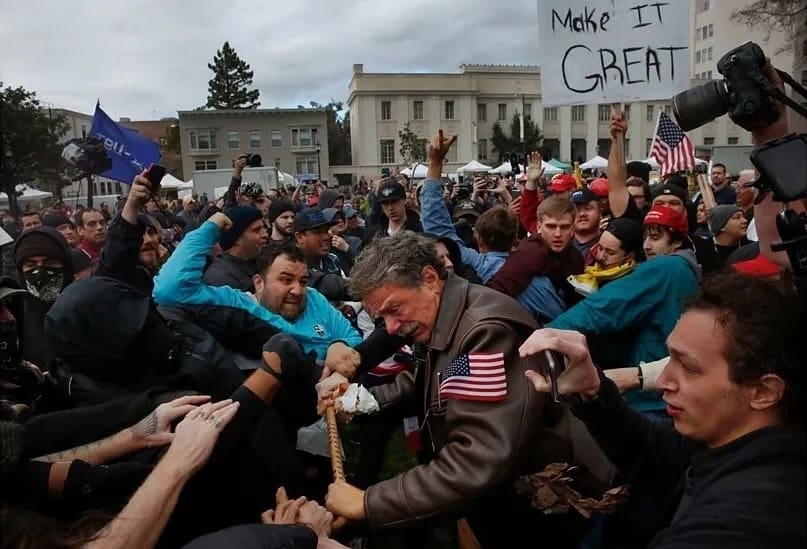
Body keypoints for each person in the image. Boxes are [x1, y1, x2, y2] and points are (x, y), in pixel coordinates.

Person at [323, 134, 599, 548]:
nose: (392, 327)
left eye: (396, 309)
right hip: (505, 498)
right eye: (383, 317)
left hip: (536, 506)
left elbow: (478, 458)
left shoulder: (484, 332)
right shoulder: (445, 317)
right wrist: (360, 399)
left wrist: (371, 502)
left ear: (430, 279)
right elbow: (435, 379)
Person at [520, 272, 805, 548]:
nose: (664, 382)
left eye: (689, 368)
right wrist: (593, 391)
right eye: (671, 359)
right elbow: (662, 457)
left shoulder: (748, 521)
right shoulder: (725, 439)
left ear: (763, 392)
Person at [202, 206, 268, 292]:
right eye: (257, 230)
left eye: (264, 228)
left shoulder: (259, 264)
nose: (265, 234)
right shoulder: (219, 280)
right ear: (236, 239)